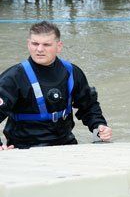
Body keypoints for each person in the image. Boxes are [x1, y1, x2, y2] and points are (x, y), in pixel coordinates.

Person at [0, 21, 112, 150]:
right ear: (28, 44)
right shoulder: (13, 77)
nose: (39, 49)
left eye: (46, 44)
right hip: (25, 148)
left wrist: (99, 126)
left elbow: (89, 107)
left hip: (66, 144)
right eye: (35, 43)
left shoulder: (72, 72)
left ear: (59, 46)